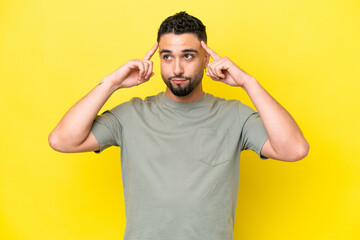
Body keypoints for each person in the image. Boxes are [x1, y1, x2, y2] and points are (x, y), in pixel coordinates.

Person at [49, 11, 309, 240]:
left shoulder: (234, 115)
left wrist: (249, 83)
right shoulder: (131, 114)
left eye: (188, 56)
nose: (176, 68)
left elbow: (294, 149)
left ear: (206, 59)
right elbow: (62, 141)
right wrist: (112, 83)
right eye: (167, 56)